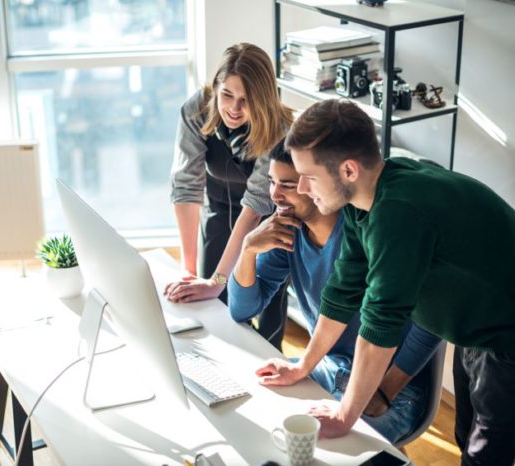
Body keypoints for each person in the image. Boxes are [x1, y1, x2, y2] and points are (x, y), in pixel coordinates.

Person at [259, 98, 514, 465]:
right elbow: (343, 293)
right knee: (468, 439)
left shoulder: (398, 212)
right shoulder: (364, 202)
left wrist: (346, 414)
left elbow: (381, 324)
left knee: (485, 456)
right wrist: (303, 366)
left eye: (309, 177)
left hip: (506, 336)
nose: (301, 187)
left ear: (348, 170)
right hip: (476, 331)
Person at [229, 142, 442, 444]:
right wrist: (249, 248)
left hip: (388, 385)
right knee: (248, 406)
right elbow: (242, 309)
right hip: (326, 367)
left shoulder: (369, 233)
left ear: (318, 183)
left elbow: (432, 320)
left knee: (323, 449)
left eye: (287, 185)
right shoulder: (287, 231)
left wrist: (384, 390)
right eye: (273, 183)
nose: (275, 196)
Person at [164, 42, 295, 322]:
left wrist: (217, 280)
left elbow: (255, 206)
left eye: (245, 100)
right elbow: (186, 188)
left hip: (268, 218)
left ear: (263, 99)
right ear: (216, 88)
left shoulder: (279, 129)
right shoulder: (196, 110)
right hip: (220, 206)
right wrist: (190, 273)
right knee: (210, 301)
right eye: (227, 95)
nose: (233, 109)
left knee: (261, 304)